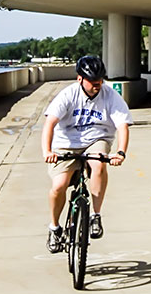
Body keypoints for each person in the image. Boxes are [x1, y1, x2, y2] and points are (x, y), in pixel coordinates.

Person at [42, 55, 129, 253]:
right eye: (92, 81)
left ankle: (95, 216)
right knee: (59, 186)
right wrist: (47, 151)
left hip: (97, 139)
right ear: (80, 79)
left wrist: (121, 152)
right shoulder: (67, 95)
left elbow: (122, 126)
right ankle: (55, 228)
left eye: (100, 81)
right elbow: (50, 123)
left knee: (98, 164)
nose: (97, 85)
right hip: (66, 143)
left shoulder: (110, 96)